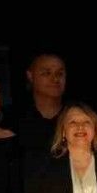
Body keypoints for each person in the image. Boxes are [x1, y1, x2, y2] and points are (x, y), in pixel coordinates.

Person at [17, 53, 66, 184]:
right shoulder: (12, 120)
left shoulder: (77, 119)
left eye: (60, 73)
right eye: (46, 73)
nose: (55, 79)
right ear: (30, 76)